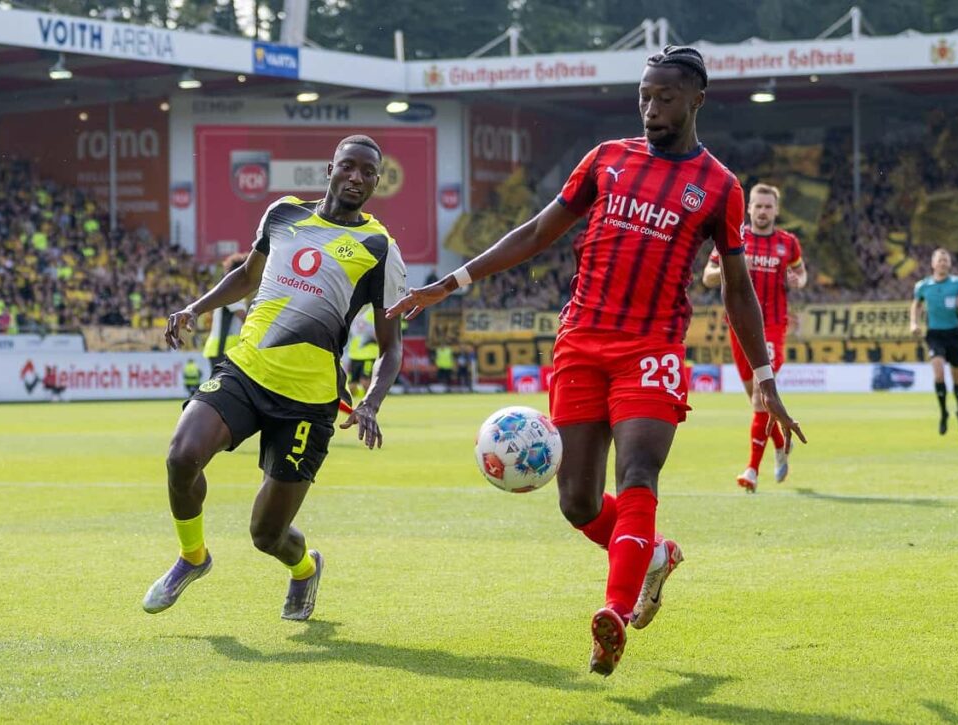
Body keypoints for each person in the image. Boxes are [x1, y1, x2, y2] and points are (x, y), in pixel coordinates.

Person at [387, 46, 805, 677]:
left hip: (652, 348)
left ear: (696, 100)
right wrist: (450, 282)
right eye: (643, 95)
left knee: (639, 472)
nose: (650, 108)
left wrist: (765, 376)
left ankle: (613, 612)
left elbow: (737, 287)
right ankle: (654, 556)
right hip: (580, 342)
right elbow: (534, 232)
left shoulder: (720, 187)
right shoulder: (607, 159)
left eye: (664, 97)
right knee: (578, 502)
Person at [143, 134, 406, 621]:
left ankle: (305, 568)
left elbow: (392, 347)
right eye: (349, 166)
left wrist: (370, 403)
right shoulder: (282, 214)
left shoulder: (380, 248)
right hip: (247, 371)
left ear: (375, 182)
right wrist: (194, 308)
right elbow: (247, 275)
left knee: (267, 536)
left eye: (369, 172)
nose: (357, 177)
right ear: (330, 169)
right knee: (182, 457)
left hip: (308, 402)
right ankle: (192, 557)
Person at [701, 183, 806, 492]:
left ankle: (751, 470)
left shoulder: (788, 243)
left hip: (772, 327)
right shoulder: (735, 237)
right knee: (757, 402)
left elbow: (802, 274)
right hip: (739, 328)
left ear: (776, 210)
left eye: (768, 206)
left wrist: (796, 280)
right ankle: (777, 446)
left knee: (761, 397)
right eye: (757, 206)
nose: (762, 211)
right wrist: (724, 270)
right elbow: (707, 276)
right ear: (749, 209)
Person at [910, 248, 958, 435]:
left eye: (946, 260)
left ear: (950, 264)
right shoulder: (923, 286)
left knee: (957, 377)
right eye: (940, 260)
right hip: (935, 334)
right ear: (933, 264)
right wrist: (914, 323)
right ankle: (943, 413)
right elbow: (916, 304)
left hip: (954, 334)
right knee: (938, 374)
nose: (943, 263)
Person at [202, 253, 249, 371]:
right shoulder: (231, 291)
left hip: (223, 347)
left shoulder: (230, 290)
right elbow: (245, 319)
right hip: (223, 348)